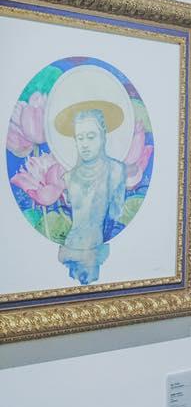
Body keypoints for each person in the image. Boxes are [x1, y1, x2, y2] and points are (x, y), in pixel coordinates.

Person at [56, 103, 127, 284]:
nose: (85, 144)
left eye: (91, 136)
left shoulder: (116, 171)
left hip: (97, 249)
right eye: (80, 138)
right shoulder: (69, 177)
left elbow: (116, 215)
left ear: (103, 137)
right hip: (70, 248)